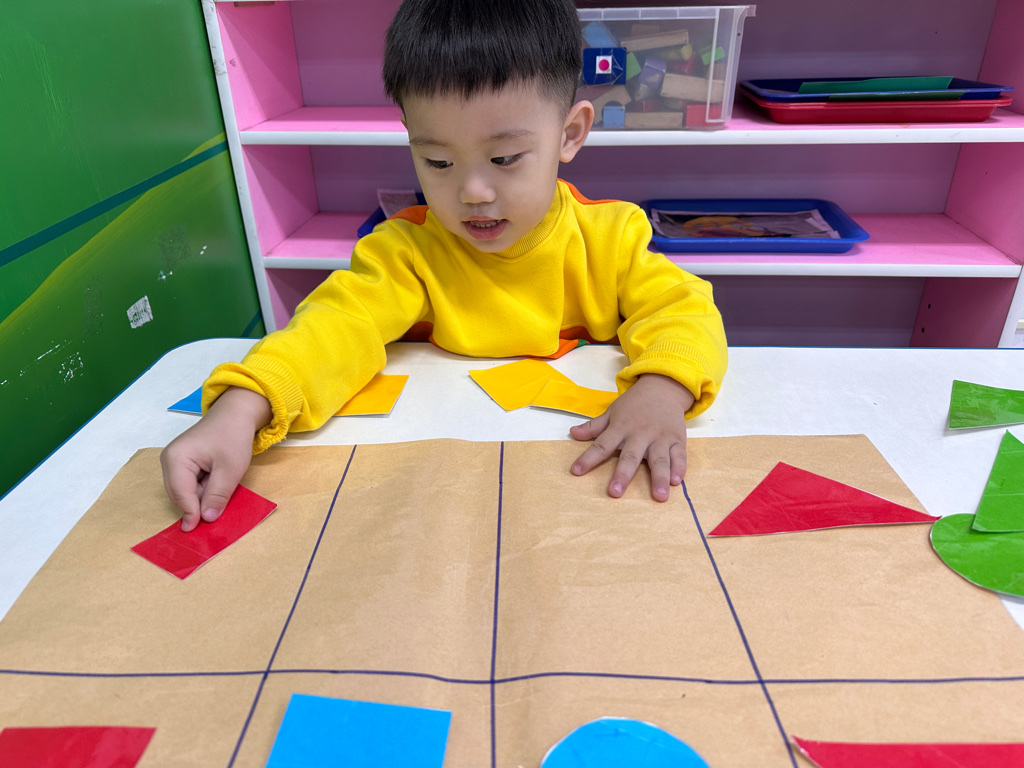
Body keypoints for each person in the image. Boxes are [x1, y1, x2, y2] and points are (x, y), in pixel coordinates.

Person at [161, 0, 728, 531]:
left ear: (570, 134)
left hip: (582, 490)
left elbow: (684, 309)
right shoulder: (406, 251)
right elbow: (335, 325)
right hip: (439, 492)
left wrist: (662, 390)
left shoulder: (610, 238)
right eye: (437, 161)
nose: (473, 192)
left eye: (504, 158)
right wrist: (245, 405)